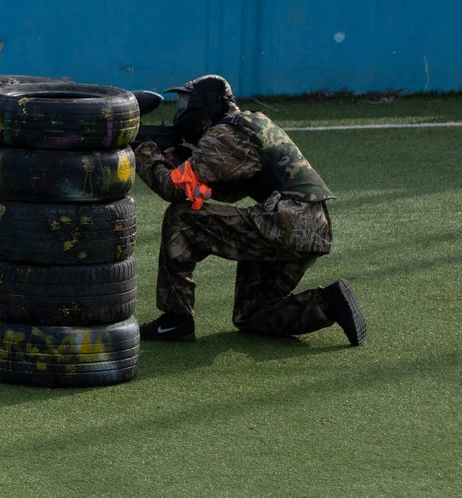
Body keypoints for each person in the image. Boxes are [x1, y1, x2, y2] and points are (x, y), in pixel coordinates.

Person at [134, 74, 366, 345]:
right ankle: (328, 303)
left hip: (286, 221)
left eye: (186, 105)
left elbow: (174, 189)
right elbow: (231, 189)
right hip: (311, 227)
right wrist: (184, 162)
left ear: (207, 105)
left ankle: (176, 321)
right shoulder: (250, 124)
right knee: (252, 313)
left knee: (182, 218)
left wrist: (144, 152)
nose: (181, 114)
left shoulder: (224, 134)